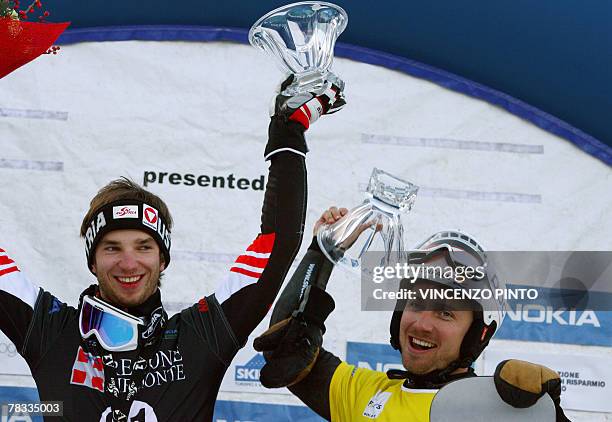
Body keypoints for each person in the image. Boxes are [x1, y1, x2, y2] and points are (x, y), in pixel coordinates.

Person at [0, 77, 345, 421]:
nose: (128, 262)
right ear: (92, 261)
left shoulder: (199, 338)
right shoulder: (52, 332)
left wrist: (288, 132)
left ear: (163, 258)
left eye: (144, 246)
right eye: (111, 248)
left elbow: (277, 244)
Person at [254, 206, 572, 421]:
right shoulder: (365, 394)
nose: (422, 324)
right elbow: (286, 345)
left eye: (445, 314)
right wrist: (324, 250)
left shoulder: (497, 411)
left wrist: (550, 415)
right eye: (416, 303)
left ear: (480, 334)